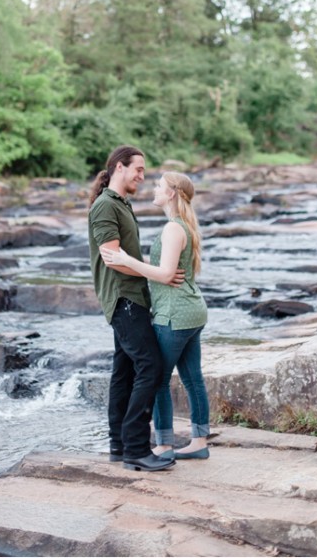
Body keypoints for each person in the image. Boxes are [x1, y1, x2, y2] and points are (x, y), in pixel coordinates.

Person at [101, 171, 211, 461]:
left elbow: (163, 274)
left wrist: (126, 260)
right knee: (192, 378)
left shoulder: (173, 228)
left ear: (172, 193)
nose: (154, 188)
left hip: (174, 315)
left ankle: (163, 445)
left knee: (158, 380)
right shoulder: (181, 225)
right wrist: (145, 265)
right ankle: (199, 441)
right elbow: (165, 267)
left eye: (160, 185)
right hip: (191, 312)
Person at [88, 145, 182, 472]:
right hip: (123, 299)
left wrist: (157, 273)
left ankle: (119, 445)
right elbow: (113, 259)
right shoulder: (105, 207)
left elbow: (127, 257)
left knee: (125, 373)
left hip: (134, 297)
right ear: (118, 167)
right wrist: (159, 275)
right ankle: (137, 448)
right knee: (151, 367)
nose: (142, 177)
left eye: (143, 171)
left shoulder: (121, 204)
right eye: (138, 170)